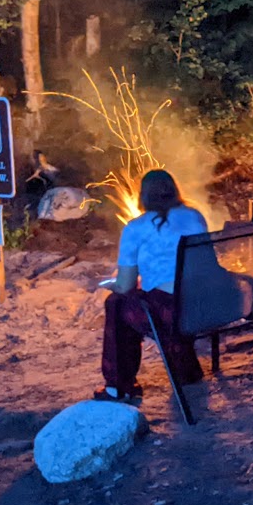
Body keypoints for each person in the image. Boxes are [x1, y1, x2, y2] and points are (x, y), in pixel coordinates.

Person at [96, 168, 210, 402]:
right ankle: (186, 370)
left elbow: (125, 285)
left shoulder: (136, 228)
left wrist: (113, 285)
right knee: (169, 296)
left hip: (172, 312)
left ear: (144, 196)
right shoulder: (194, 216)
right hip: (204, 303)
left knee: (117, 304)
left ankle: (119, 387)